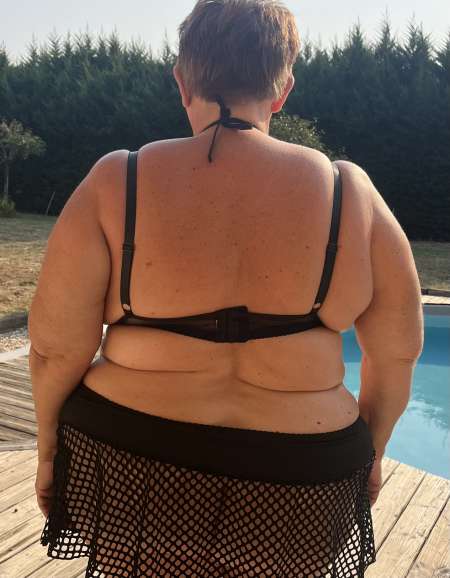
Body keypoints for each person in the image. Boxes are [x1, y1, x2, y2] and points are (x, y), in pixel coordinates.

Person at [28, 0, 424, 576]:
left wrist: (48, 453)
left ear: (182, 82)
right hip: (303, 473)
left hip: (131, 455)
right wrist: (375, 451)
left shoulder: (117, 181)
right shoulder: (351, 194)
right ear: (283, 89)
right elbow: (398, 353)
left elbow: (54, 350)